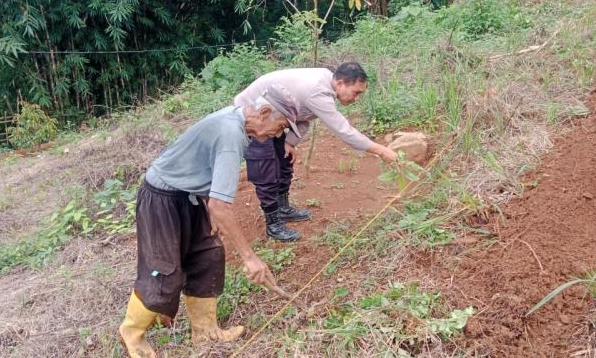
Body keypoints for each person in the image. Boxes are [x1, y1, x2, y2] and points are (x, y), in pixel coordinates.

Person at [119, 84, 301, 358]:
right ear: (264, 112)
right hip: (162, 198)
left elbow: (202, 166)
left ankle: (205, 331)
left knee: (208, 256)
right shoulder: (231, 135)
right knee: (164, 271)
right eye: (281, 125)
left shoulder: (237, 122)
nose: (280, 133)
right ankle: (132, 334)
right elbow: (222, 206)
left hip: (189, 196)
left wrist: (205, 204)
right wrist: (250, 257)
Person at [234, 62, 397, 242]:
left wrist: (290, 142)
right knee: (265, 169)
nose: (356, 98)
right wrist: (381, 150)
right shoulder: (317, 91)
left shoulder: (325, 83)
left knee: (285, 160)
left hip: (277, 116)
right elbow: (343, 130)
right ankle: (273, 224)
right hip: (255, 116)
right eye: (356, 92)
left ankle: (283, 209)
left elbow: (303, 117)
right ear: (341, 83)